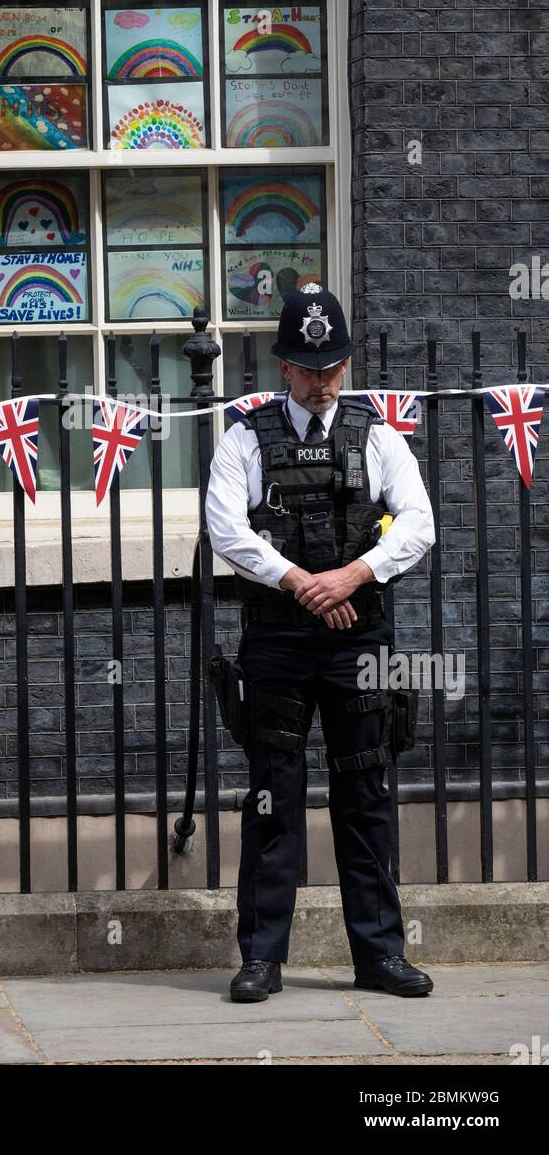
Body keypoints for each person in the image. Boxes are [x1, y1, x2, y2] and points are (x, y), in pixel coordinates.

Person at [205, 284, 436, 1002]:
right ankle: (262, 958)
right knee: (274, 796)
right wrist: (305, 582)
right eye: (309, 366)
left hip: (358, 638)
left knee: (365, 793)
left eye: (332, 363)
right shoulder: (244, 438)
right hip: (278, 640)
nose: (321, 378)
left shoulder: (379, 435)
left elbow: (419, 523)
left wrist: (354, 575)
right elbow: (226, 533)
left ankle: (379, 955)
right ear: (283, 365)